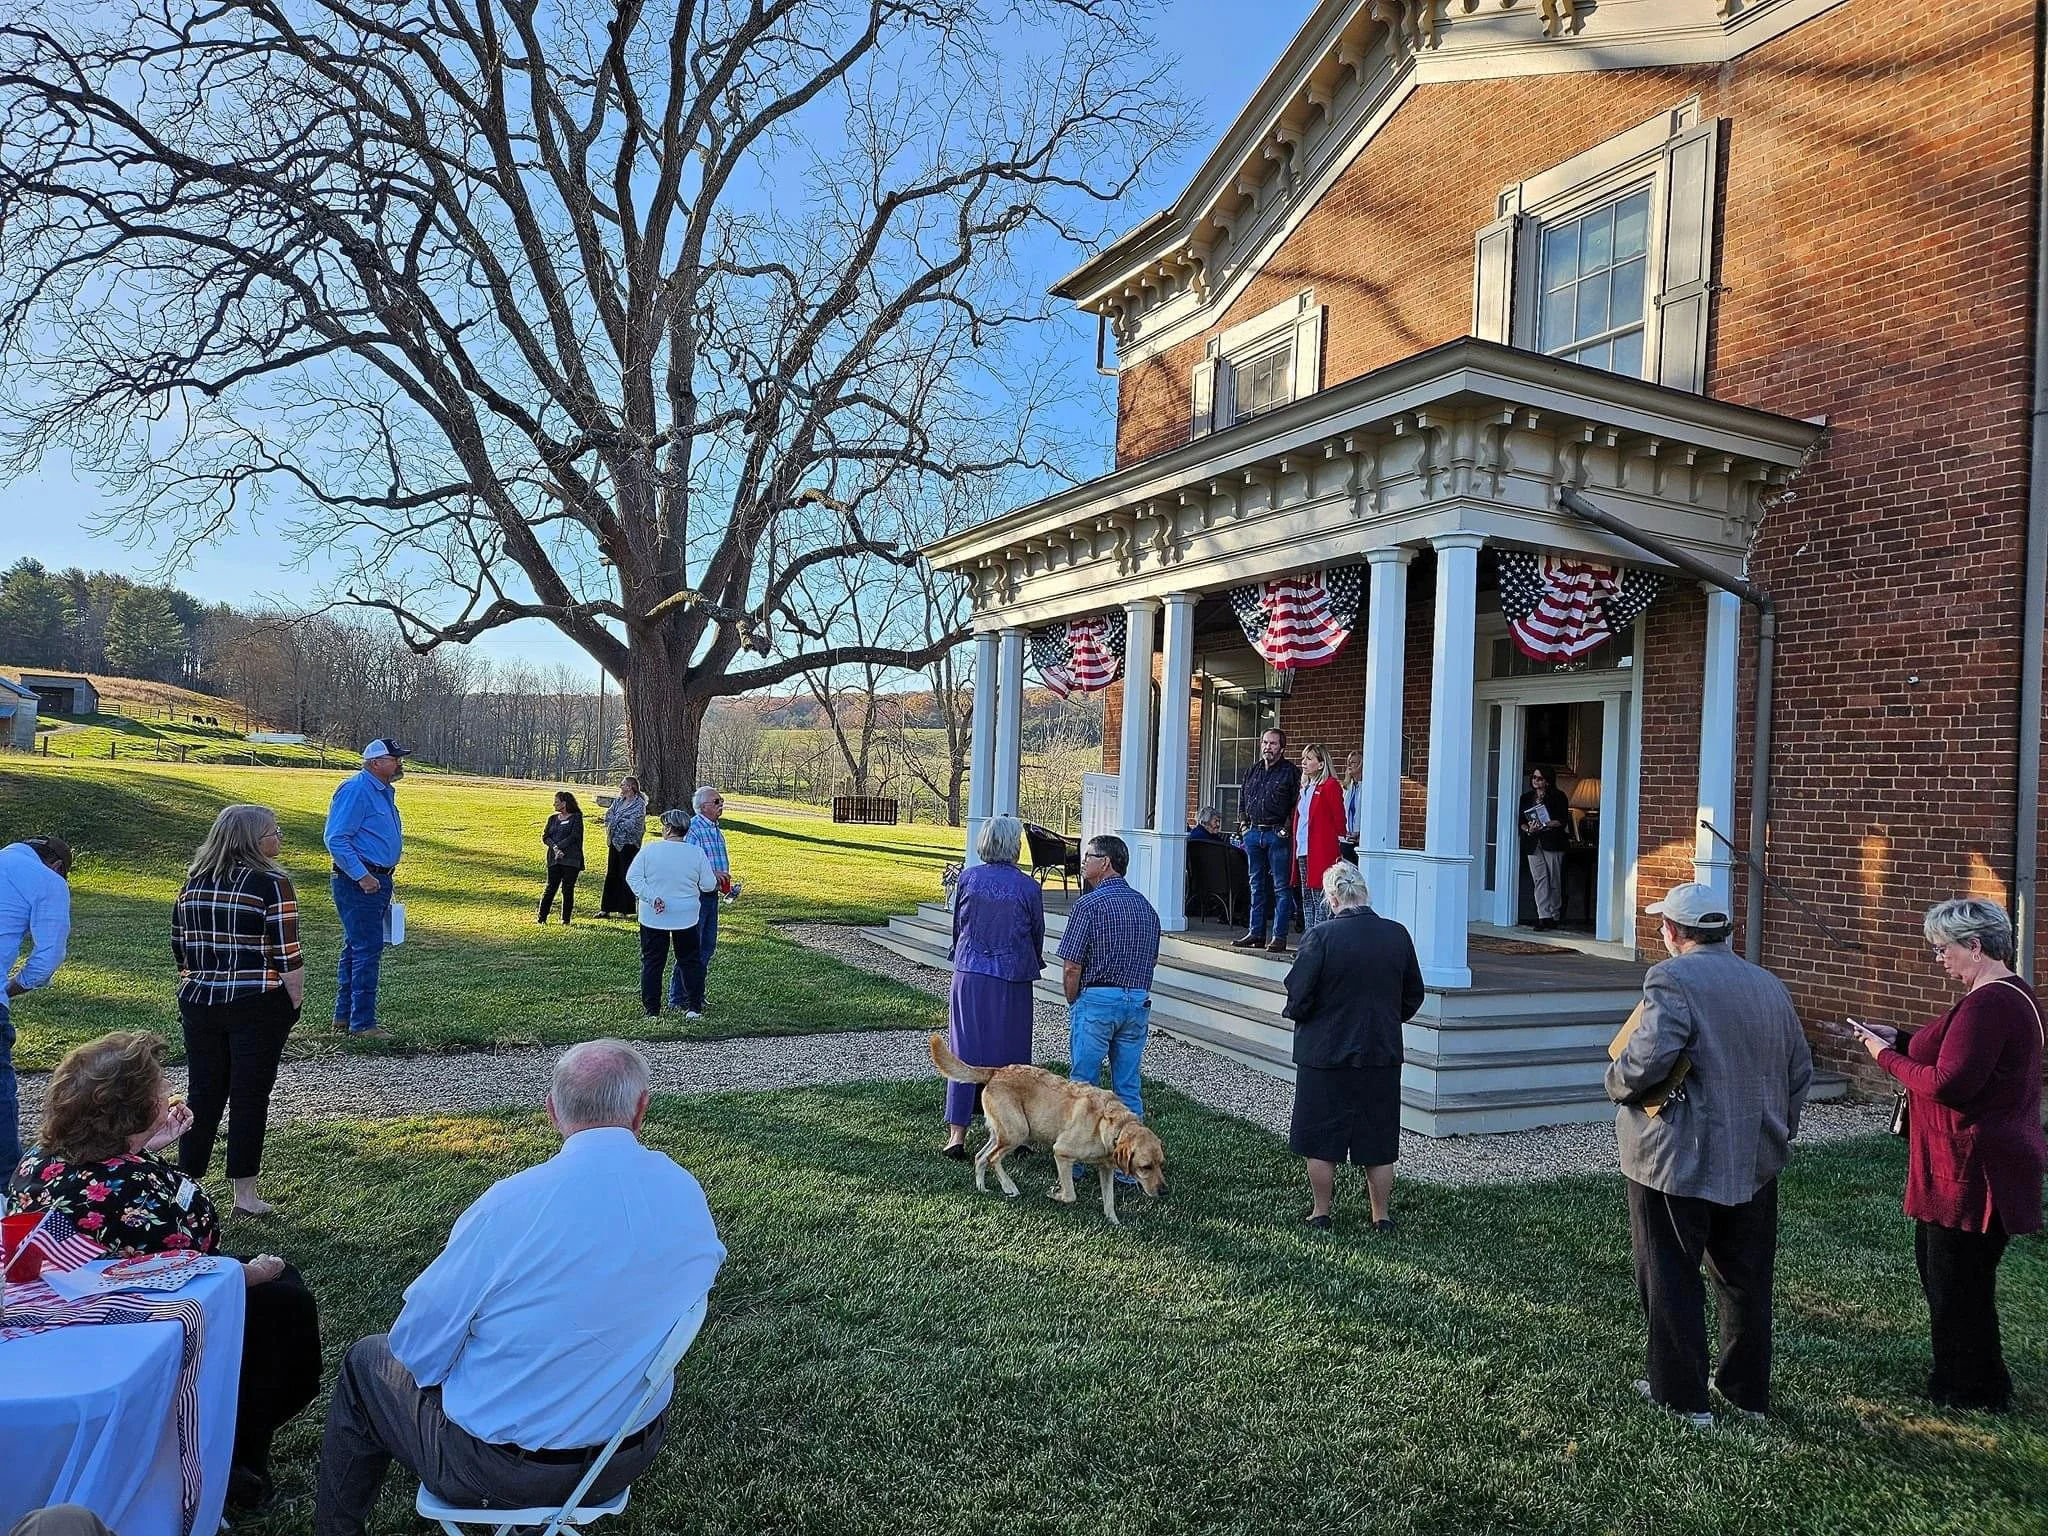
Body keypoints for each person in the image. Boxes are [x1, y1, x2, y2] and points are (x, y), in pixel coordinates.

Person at [312, 1041, 726, 1536]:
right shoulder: (683, 1191)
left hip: (497, 1470)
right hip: (621, 1456)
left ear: (551, 1111)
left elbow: (419, 1349)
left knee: (366, 1362)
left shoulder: (510, 1207)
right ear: (641, 1109)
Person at [6, 1032, 319, 1511]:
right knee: (282, 1300)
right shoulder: (151, 1191)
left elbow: (109, 1176)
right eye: (158, 1092)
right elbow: (193, 1268)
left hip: (57, 1310)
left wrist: (143, 1146)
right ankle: (239, 1455)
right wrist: (252, 1273)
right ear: (132, 1110)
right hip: (136, 1323)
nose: (169, 1093)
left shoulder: (34, 1164)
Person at [1608, 882, 1812, 1427]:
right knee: (1745, 1278)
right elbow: (1800, 1070)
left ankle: (1681, 1395)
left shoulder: (1671, 978)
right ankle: (1746, 1394)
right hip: (1754, 1156)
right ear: (1725, 931)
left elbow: (1646, 1060)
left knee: (1670, 1270)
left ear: (1674, 932)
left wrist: (1616, 1082)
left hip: (1676, 1158)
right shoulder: (1768, 983)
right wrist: (1778, 1129)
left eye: (1662, 926)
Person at [1852, 898, 2044, 1412]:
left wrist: (1885, 1057)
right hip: (1972, 1166)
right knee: (1955, 1282)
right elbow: (1966, 1057)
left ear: (1974, 946)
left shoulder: (1990, 1003)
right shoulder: (2009, 996)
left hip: (1972, 1172)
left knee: (1958, 1286)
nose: (1939, 959)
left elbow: (1951, 1083)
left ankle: (1971, 1390)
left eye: (1943, 949)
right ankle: (1969, 1379)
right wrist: (1905, 1039)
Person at [171, 804, 304, 1217]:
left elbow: (179, 946)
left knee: (203, 1093)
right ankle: (244, 1196)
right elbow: (287, 953)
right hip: (256, 1001)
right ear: (253, 840)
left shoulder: (192, 884)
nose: (278, 837)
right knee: (250, 1097)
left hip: (199, 1001)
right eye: (273, 831)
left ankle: (186, 1188)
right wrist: (294, 998)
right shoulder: (271, 885)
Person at [1282, 862, 1423, 1232]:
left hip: (1325, 1053)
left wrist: (1302, 1014)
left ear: (1331, 898)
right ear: (1364, 893)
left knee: (1321, 1138)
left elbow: (1299, 993)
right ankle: (1381, 1216)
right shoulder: (1397, 935)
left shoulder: (1320, 937)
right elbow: (1414, 995)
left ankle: (1321, 1212)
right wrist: (1388, 1018)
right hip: (1380, 1050)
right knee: (1378, 1137)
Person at [941, 816, 1044, 1159]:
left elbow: (959, 926)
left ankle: (957, 1135)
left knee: (964, 1052)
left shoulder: (968, 878)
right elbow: (1036, 933)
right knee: (1012, 1057)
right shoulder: (1028, 887)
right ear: (1014, 845)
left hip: (970, 974)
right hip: (1012, 978)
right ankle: (1016, 1135)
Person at [1057, 834, 1160, 1122]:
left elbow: (1071, 966)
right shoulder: (1147, 909)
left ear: (1105, 863)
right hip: (1137, 1000)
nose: (1083, 862)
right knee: (1128, 1086)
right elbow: (1151, 961)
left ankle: (1075, 1163)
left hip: (1097, 1000)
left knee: (1083, 1086)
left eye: (1088, 856)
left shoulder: (1088, 906)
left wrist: (1073, 999)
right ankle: (1130, 1162)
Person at [324, 739, 408, 1037]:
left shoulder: (382, 792)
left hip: (376, 879)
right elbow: (336, 838)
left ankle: (344, 1018)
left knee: (356, 947)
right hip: (361, 882)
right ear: (375, 763)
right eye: (394, 758)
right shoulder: (357, 789)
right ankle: (363, 1023)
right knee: (366, 950)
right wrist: (362, 876)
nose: (400, 763)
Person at [0, 835, 71, 1179]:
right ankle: (4, 1195)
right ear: (57, 866)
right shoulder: (48, 881)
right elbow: (46, 959)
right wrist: (11, 988)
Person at [627, 810, 720, 1018]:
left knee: (652, 961)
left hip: (653, 915)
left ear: (668, 828)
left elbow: (633, 878)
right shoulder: (696, 853)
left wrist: (651, 897)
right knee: (689, 960)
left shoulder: (650, 851)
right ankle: (694, 1007)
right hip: (686, 916)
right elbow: (707, 885)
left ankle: (652, 1010)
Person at [1234, 728, 1301, 954]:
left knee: (1281, 888)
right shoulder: (1252, 770)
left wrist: (1285, 830)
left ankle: (1279, 936)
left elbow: (1296, 804)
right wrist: (1243, 825)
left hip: (1276, 834)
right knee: (1256, 885)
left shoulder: (1291, 772)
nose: (1267, 747)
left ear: (1282, 748)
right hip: (1253, 832)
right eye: (1265, 742)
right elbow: (1242, 798)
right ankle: (1256, 933)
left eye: (1273, 744)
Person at [680, 785, 741, 1008]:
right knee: (691, 949)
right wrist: (712, 874)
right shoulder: (695, 828)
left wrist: (725, 885)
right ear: (703, 806)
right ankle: (680, 997)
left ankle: (696, 994)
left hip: (712, 894)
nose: (721, 805)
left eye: (721, 801)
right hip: (698, 896)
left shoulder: (715, 828)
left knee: (706, 948)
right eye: (717, 802)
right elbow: (690, 862)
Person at [1293, 743, 1345, 931]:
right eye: (1303, 758)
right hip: (1303, 849)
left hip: (1321, 850)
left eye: (1309, 758)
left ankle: (1319, 942)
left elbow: (1339, 818)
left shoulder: (1330, 786)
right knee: (1307, 897)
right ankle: (1309, 941)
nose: (1303, 762)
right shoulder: (1305, 788)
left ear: (1321, 764)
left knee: (1320, 898)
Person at [1518, 766, 1571, 931]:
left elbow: (1562, 820)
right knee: (1539, 879)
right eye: (1534, 777)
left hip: (1553, 841)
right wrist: (1529, 829)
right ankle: (1543, 915)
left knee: (1554, 879)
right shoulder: (1526, 797)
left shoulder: (1558, 796)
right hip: (1533, 842)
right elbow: (1521, 820)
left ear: (1547, 780)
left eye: (1540, 778)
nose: (1536, 781)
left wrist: (1546, 824)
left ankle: (1555, 914)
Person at [597, 775, 647, 918]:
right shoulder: (618, 801)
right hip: (615, 842)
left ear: (631, 787)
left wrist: (616, 822)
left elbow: (634, 824)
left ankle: (624, 910)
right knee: (612, 874)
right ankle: (606, 908)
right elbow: (608, 816)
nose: (620, 787)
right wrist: (617, 821)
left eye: (623, 784)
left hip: (629, 844)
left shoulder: (639, 804)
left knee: (626, 874)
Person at [539, 790, 585, 924]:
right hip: (554, 858)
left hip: (571, 859)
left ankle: (565, 919)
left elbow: (574, 836)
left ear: (564, 803)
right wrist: (555, 847)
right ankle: (542, 917)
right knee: (551, 887)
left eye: (557, 802)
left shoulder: (576, 817)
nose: (554, 804)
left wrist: (559, 847)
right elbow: (546, 837)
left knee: (567, 889)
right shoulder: (552, 819)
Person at [1339, 749, 1363, 865]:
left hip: (1360, 840)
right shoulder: (1347, 787)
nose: (1349, 765)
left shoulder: (1366, 787)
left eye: (1353, 762)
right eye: (1348, 761)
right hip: (1346, 839)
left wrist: (1361, 833)